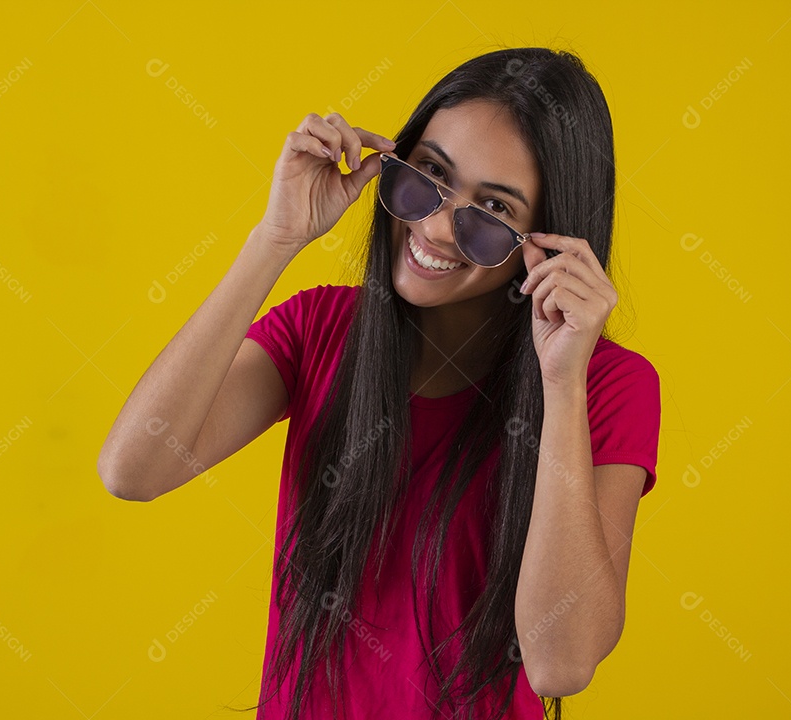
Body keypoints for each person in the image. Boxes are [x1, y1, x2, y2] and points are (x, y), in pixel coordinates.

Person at [98, 46, 660, 720]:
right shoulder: (320, 329)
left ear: (548, 241)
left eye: (494, 211)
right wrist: (276, 237)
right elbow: (134, 470)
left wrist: (562, 381)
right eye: (428, 174)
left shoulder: (608, 386)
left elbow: (561, 662)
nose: (437, 226)